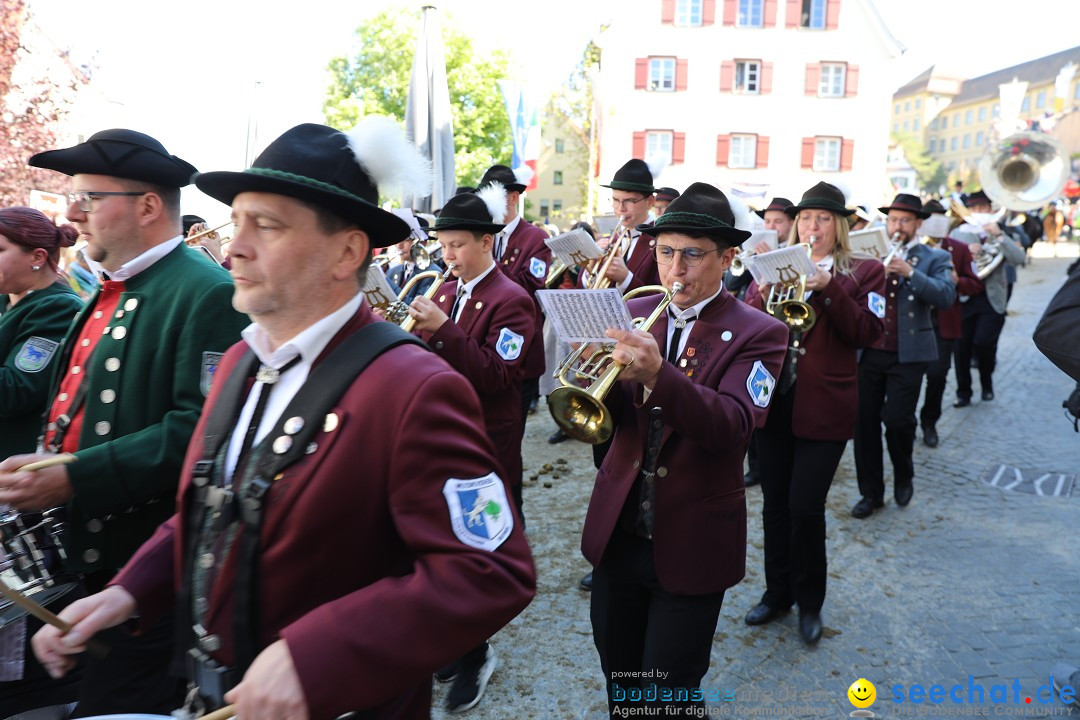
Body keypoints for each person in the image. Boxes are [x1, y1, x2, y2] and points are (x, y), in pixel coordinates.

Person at [30, 119, 536, 720]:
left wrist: (318, 655)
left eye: (265, 226)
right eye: (237, 221)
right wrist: (128, 590)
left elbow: (490, 571)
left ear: (348, 252)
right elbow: (212, 505)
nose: (235, 246)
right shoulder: (244, 358)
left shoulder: (414, 388)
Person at [0, 129, 249, 717]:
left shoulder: (204, 291)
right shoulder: (113, 286)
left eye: (89, 197)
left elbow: (203, 430)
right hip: (85, 560)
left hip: (144, 571)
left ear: (147, 205)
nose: (73, 213)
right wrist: (47, 462)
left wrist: (77, 476)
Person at [581, 182, 788, 716]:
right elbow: (608, 428)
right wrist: (590, 372)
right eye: (667, 253)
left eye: (693, 255)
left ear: (727, 257)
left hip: (692, 538)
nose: (676, 270)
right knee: (620, 676)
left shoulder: (760, 332)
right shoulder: (635, 308)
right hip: (621, 532)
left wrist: (659, 376)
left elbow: (735, 427)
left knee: (668, 693)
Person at [408, 186, 536, 713]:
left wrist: (447, 332)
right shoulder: (444, 291)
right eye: (444, 246)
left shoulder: (514, 300)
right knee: (440, 542)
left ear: (487, 242)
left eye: (458, 245)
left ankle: (477, 651)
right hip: (439, 436)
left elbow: (500, 376)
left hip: (486, 442)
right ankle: (457, 641)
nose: (448, 257)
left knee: (478, 549)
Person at [741, 182, 884, 643]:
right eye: (806, 218)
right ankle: (776, 592)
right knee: (775, 506)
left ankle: (810, 603)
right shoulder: (777, 264)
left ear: (839, 226)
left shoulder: (864, 271)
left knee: (806, 508)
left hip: (825, 407)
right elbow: (749, 324)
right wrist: (759, 292)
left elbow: (869, 331)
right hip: (776, 402)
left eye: (823, 219)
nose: (813, 226)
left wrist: (829, 289)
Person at [0, 208, 84, 718]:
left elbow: (17, 389)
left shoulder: (55, 308)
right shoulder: (12, 305)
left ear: (37, 259)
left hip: (19, 491)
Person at [851, 192, 955, 519]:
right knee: (864, 425)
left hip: (908, 355)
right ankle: (871, 493)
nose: (898, 226)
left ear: (918, 224)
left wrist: (910, 273)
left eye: (905, 220)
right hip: (868, 352)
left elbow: (946, 296)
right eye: (893, 219)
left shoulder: (933, 257)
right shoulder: (869, 254)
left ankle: (903, 473)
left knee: (898, 421)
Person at [473, 165, 551, 429]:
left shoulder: (536, 237)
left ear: (514, 197)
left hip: (521, 354)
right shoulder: (482, 234)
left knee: (507, 437)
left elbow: (530, 289)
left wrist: (485, 259)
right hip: (482, 349)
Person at [917, 199, 982, 448]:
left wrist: (957, 281)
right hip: (915, 319)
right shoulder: (911, 249)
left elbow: (975, 284)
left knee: (937, 375)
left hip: (943, 322)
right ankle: (906, 420)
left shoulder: (959, 249)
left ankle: (929, 421)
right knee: (909, 377)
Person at [951, 190, 1026, 406]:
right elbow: (947, 260)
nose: (979, 212)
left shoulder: (1000, 232)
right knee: (961, 348)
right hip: (965, 296)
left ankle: (986, 384)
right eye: (975, 208)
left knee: (984, 343)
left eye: (983, 208)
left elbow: (1018, 258)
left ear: (990, 209)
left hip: (992, 298)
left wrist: (999, 236)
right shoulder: (958, 233)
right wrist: (966, 251)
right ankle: (963, 392)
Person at [587, 159, 661, 293]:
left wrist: (626, 279)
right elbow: (585, 289)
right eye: (615, 200)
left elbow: (661, 297)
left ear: (650, 202)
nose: (621, 208)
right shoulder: (612, 239)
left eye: (630, 201)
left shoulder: (660, 241)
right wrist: (590, 266)